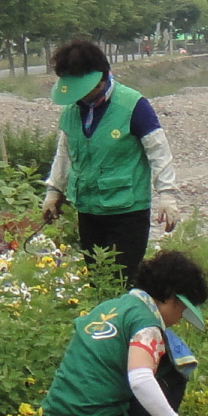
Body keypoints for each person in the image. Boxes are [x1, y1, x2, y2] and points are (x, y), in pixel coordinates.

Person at [41, 250, 208, 416]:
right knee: (172, 372)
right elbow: (140, 379)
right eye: (182, 308)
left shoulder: (109, 308)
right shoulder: (146, 323)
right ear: (169, 296)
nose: (182, 317)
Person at [41, 38, 182, 282]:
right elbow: (64, 153)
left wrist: (167, 195)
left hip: (127, 211)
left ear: (100, 78)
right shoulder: (72, 110)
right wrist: (54, 192)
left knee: (121, 280)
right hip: (88, 210)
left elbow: (159, 152)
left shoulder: (133, 105)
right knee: (98, 279)